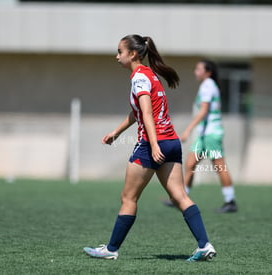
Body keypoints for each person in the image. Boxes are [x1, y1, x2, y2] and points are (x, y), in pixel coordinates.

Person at [83, 35, 216, 262]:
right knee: (180, 196)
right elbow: (138, 113)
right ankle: (205, 245)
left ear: (133, 54)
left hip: (152, 145)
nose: (116, 57)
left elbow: (146, 113)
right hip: (172, 142)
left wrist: (153, 145)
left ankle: (111, 249)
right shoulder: (150, 75)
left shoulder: (139, 78)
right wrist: (117, 132)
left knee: (128, 198)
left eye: (119, 52)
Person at [171, 59, 238, 213]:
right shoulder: (206, 85)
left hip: (211, 134)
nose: (196, 71)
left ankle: (230, 201)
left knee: (219, 166)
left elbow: (203, 111)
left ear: (208, 72)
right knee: (190, 163)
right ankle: (181, 198)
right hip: (203, 134)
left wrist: (188, 129)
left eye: (198, 69)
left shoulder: (208, 86)